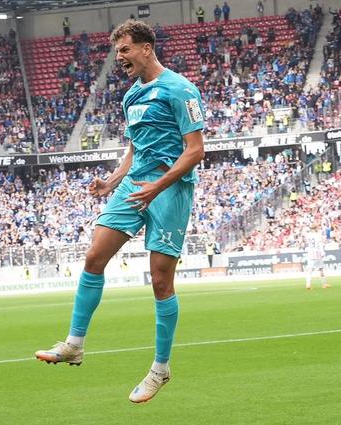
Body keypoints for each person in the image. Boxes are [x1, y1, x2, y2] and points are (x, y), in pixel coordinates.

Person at [35, 19, 205, 404]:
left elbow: (195, 150)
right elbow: (134, 149)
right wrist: (112, 182)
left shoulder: (180, 88)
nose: (120, 58)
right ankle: (74, 344)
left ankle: (160, 369)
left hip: (169, 188)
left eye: (125, 50)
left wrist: (157, 187)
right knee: (94, 256)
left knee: (160, 280)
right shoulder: (131, 96)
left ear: (146, 48)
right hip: (133, 186)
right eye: (117, 52)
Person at [305, 223, 329, 290]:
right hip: (317, 252)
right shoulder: (318, 235)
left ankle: (308, 284)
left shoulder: (308, 235)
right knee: (321, 268)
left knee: (310, 269)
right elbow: (320, 244)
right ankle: (324, 284)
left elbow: (308, 243)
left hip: (310, 252)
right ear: (315, 228)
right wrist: (322, 252)